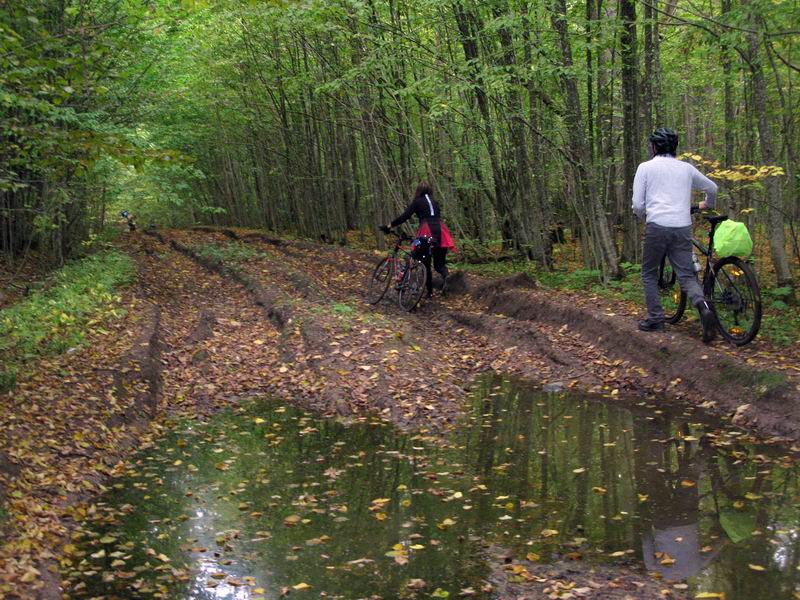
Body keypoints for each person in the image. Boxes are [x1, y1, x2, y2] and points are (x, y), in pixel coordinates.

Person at [632, 128, 718, 343]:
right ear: (674, 148)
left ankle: (656, 318)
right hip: (682, 226)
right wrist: (707, 204)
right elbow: (712, 187)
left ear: (654, 147)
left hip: (657, 226)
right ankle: (704, 306)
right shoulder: (686, 169)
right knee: (687, 275)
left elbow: (637, 204)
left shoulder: (645, 168)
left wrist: (646, 217)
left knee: (649, 273)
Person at [383, 181, 456, 298]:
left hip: (427, 231)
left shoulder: (417, 202)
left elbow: (404, 216)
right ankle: (447, 277)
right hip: (442, 231)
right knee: (439, 264)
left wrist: (389, 225)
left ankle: (430, 293)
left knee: (425, 263)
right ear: (430, 191)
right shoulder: (435, 202)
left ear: (418, 191)